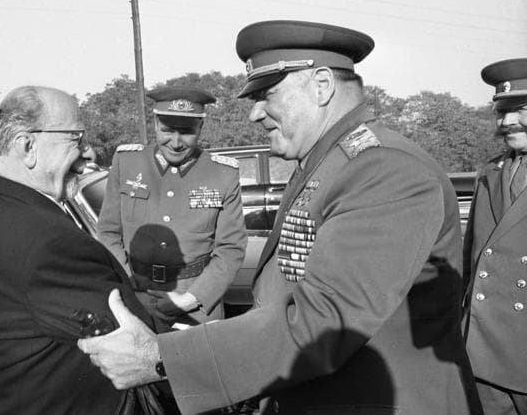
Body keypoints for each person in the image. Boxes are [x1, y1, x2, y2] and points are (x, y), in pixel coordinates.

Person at [79, 20, 482, 414]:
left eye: (266, 94)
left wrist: (160, 356)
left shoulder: (383, 170)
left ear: (322, 86)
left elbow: (327, 320)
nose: (255, 114)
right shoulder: (328, 160)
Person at [0, 86, 166, 414]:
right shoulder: (47, 239)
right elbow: (131, 339)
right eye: (75, 138)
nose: (87, 153)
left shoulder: (13, 210)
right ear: (27, 146)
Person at [96, 86, 247, 326]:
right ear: (155, 124)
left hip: (196, 306)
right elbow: (108, 233)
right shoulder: (127, 162)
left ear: (201, 128)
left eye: (186, 132)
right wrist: (133, 288)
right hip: (135, 297)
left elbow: (230, 249)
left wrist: (188, 300)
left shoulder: (222, 174)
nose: (175, 142)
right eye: (167, 130)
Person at [463, 58, 527, 415]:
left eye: (520, 110)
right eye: (501, 111)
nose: (506, 122)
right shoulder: (491, 171)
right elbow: (471, 255)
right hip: (483, 351)